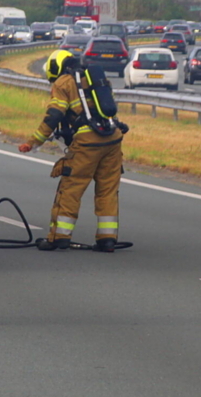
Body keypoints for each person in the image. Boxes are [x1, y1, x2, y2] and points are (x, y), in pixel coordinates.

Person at [18, 49, 123, 252]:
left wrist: (33, 142)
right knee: (108, 191)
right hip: (113, 139)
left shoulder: (63, 83)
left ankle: (59, 237)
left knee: (70, 189)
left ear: (55, 67)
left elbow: (54, 116)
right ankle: (107, 239)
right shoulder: (94, 78)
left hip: (88, 142)